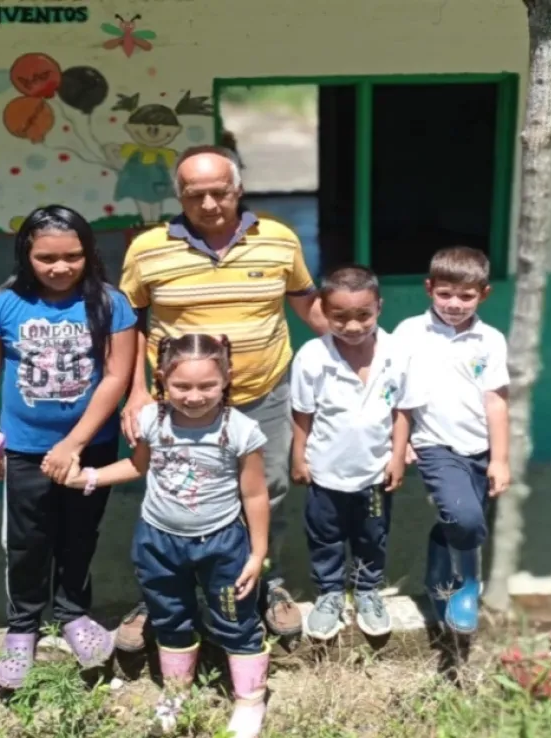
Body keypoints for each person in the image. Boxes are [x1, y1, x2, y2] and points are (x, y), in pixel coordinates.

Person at [116, 145, 326, 649]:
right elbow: (128, 322)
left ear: (238, 189)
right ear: (179, 195)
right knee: (175, 492)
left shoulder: (278, 239)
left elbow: (305, 303)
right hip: (178, 404)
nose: (209, 204)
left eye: (219, 192)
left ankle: (263, 581)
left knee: (267, 491)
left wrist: (365, 350)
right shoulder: (147, 249)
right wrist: (136, 392)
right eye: (195, 195)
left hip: (264, 393)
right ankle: (167, 592)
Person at [60, 333, 271, 738]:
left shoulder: (241, 430)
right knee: (170, 617)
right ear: (161, 379)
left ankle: (249, 700)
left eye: (207, 385)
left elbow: (255, 493)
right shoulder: (150, 420)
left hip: (223, 545)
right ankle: (177, 693)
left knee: (236, 619)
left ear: (226, 378)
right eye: (182, 386)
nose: (194, 396)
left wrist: (256, 553)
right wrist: (89, 477)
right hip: (158, 543)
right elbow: (137, 466)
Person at [0, 205, 136, 689]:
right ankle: (22, 629)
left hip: (91, 449)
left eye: (72, 256)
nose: (60, 267)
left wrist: (74, 444)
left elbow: (117, 377)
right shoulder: (4, 304)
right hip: (23, 450)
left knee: (80, 534)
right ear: (26, 254)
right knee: (27, 541)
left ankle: (73, 615)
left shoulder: (110, 303)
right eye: (46, 258)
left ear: (89, 253)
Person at [290, 265, 423, 640]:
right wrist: (298, 456)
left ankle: (367, 591)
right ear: (324, 312)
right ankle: (330, 593)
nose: (352, 326)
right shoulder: (313, 356)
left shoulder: (397, 352)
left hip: (374, 473)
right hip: (326, 471)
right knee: (325, 535)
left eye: (363, 315)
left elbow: (402, 410)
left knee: (372, 534)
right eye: (340, 317)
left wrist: (397, 456)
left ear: (379, 307)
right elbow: (303, 412)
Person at [393, 246, 511, 634]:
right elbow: (391, 390)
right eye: (445, 294)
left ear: (484, 294)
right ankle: (468, 584)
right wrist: (399, 440)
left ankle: (440, 581)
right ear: (429, 289)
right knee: (465, 517)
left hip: (480, 447)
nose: (455, 304)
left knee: (463, 522)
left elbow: (496, 401)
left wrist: (500, 459)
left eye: (466, 296)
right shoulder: (410, 332)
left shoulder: (490, 340)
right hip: (434, 444)